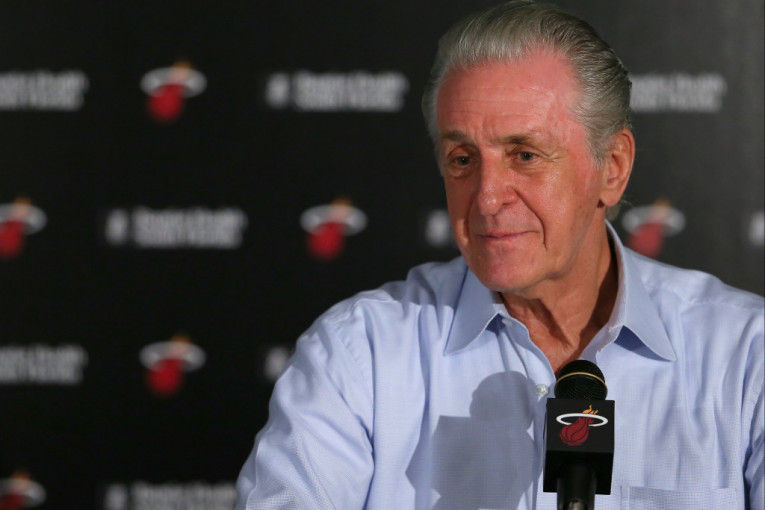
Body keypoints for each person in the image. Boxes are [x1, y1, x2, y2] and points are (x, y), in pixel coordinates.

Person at [236, 1, 764, 508]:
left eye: (525, 155)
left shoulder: (745, 356)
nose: (487, 198)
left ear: (612, 167)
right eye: (463, 159)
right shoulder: (360, 355)